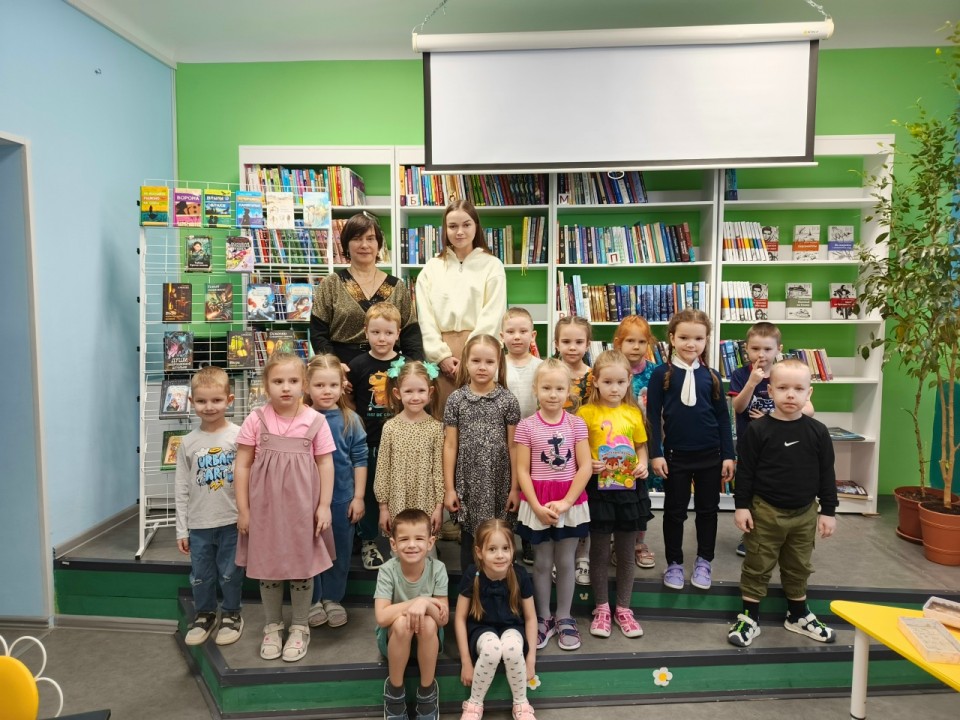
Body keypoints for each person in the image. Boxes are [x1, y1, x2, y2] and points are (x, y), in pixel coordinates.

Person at [727, 360, 838, 648]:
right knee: (758, 564)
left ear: (808, 393)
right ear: (770, 390)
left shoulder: (818, 431)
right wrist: (741, 506)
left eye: (798, 389)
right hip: (765, 512)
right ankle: (749, 617)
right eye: (783, 387)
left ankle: (798, 615)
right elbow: (746, 472)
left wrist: (828, 511)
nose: (790, 394)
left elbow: (827, 474)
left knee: (799, 565)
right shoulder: (758, 430)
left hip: (805, 513)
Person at [234, 352, 337, 663]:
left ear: (304, 384)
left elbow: (325, 464)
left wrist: (324, 506)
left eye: (293, 381)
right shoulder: (256, 419)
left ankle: (300, 626)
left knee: (301, 567)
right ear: (266, 385)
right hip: (265, 511)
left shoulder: (315, 421)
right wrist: (244, 510)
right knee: (269, 568)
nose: (286, 387)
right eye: (278, 381)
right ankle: (273, 625)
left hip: (303, 511)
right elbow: (242, 465)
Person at [647, 309, 735, 592]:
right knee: (674, 512)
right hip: (676, 456)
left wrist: (728, 454)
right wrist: (656, 452)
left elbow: (723, 418)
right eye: (684, 337)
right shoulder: (661, 374)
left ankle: (704, 561)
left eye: (698, 338)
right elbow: (652, 416)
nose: (691, 344)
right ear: (672, 338)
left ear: (706, 340)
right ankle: (674, 563)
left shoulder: (712, 376)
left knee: (708, 511)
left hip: (710, 455)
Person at [514, 359, 592, 651]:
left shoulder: (576, 424)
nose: (553, 394)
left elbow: (585, 466)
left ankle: (564, 617)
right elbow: (522, 470)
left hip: (568, 501)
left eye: (559, 388)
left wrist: (567, 502)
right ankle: (543, 617)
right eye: (546, 388)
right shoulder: (526, 426)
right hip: (538, 501)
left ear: (568, 390)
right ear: (535, 389)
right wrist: (535, 506)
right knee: (543, 563)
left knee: (566, 561)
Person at [577, 351, 650, 640]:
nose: (614, 388)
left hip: (629, 490)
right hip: (599, 490)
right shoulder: (585, 414)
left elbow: (640, 446)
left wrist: (642, 464)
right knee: (599, 551)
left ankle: (623, 608)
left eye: (620, 382)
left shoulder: (633, 413)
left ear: (629, 380)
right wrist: (589, 463)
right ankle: (601, 608)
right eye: (607, 382)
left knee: (626, 551)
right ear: (595, 381)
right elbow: (577, 449)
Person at [728, 322, 815, 556]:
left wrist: (770, 417)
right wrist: (752, 383)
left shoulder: (784, 374)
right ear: (746, 349)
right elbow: (738, 407)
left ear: (779, 349)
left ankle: (779, 533)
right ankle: (751, 533)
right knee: (750, 487)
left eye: (767, 349)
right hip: (750, 444)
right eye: (755, 348)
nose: (761, 354)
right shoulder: (740, 375)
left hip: (780, 446)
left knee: (772, 487)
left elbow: (809, 410)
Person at [416, 200, 507, 411]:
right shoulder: (432, 268)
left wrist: (471, 356)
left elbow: (493, 314)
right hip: (442, 355)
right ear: (445, 229)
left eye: (466, 225)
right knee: (443, 416)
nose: (459, 232)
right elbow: (425, 318)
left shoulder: (492, 265)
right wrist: (441, 356)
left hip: (481, 352)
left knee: (483, 417)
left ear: (476, 226)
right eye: (452, 226)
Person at [175, 366, 244, 647]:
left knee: (230, 574)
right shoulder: (187, 442)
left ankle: (231, 613)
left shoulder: (239, 436)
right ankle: (205, 613)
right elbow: (181, 487)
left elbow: (250, 479)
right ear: (192, 402)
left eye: (216, 400)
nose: (209, 407)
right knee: (201, 576)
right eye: (202, 401)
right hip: (199, 524)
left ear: (229, 400)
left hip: (232, 521)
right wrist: (182, 529)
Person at [443, 334, 521, 572]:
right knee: (470, 543)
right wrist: (449, 489)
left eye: (489, 361)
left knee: (500, 541)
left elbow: (514, 446)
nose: (482, 367)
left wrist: (515, 489)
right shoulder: (456, 400)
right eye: (476, 361)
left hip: (499, 483)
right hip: (468, 484)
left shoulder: (507, 400)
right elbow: (450, 445)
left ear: (498, 363)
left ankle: (502, 589)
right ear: (465, 362)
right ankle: (471, 591)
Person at [311, 211, 423, 372]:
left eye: (370, 239)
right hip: (343, 369)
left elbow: (411, 336)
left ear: (378, 244)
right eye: (357, 239)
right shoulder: (331, 284)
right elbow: (318, 334)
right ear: (346, 244)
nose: (364, 245)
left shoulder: (397, 287)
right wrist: (333, 367)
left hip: (389, 370)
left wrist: (412, 371)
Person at [304, 355, 367, 630]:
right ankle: (312, 600)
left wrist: (359, 497)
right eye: (319, 385)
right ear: (307, 387)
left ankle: (332, 598)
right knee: (310, 550)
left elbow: (360, 459)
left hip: (341, 500)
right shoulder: (301, 419)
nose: (326, 391)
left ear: (343, 387)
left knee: (339, 552)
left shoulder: (350, 420)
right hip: (306, 502)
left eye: (333, 385)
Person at [455, 519, 538, 720]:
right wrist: (466, 661)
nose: (500, 555)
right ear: (479, 552)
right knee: (492, 649)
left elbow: (530, 618)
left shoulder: (519, 575)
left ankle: (521, 703)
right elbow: (459, 618)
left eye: (505, 548)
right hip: (481, 629)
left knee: (512, 647)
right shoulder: (472, 575)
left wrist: (530, 659)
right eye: (492, 549)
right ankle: (474, 704)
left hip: (512, 627)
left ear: (513, 550)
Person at [374, 508, 449, 720]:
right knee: (401, 624)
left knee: (429, 623)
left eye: (419, 538)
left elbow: (443, 619)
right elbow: (382, 617)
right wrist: (418, 602)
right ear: (393, 544)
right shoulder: (387, 570)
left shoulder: (438, 569)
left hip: (428, 640)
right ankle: (395, 692)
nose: (412, 545)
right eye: (404, 539)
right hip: (394, 640)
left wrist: (425, 605)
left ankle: (427, 692)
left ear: (430, 542)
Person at [348, 302, 407, 570]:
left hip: (401, 442)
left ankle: (406, 537)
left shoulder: (405, 365)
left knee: (401, 491)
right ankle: (368, 540)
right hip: (370, 441)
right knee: (370, 494)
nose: (382, 338)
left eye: (388, 333)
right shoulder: (358, 365)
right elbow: (350, 400)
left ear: (398, 333)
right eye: (375, 332)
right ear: (365, 332)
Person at [612, 315, 661, 568]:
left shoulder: (656, 373)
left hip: (643, 443)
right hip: (613, 445)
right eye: (630, 341)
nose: (636, 347)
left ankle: (638, 543)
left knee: (641, 497)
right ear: (618, 343)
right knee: (613, 495)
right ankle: (616, 543)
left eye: (642, 342)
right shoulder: (610, 369)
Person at [375, 359, 445, 537]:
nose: (415, 397)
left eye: (421, 390)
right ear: (397, 393)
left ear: (430, 392)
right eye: (408, 391)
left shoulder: (436, 428)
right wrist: (383, 508)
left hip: (426, 500)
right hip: (397, 501)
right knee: (400, 543)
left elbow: (439, 470)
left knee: (425, 544)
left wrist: (439, 507)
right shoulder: (390, 428)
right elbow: (383, 469)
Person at [501, 306, 544, 566]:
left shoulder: (541, 366)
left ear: (533, 335)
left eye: (523, 331)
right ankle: (505, 539)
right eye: (510, 331)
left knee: (530, 489)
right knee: (507, 487)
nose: (517, 336)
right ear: (501, 336)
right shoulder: (497, 366)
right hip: (503, 439)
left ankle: (528, 539)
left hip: (534, 439)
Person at [553, 315, 593, 584]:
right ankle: (561, 557)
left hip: (585, 448)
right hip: (556, 450)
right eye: (566, 341)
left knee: (583, 502)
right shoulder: (550, 372)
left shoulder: (593, 377)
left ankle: (583, 556)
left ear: (588, 344)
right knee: (559, 498)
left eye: (579, 342)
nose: (572, 347)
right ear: (556, 343)